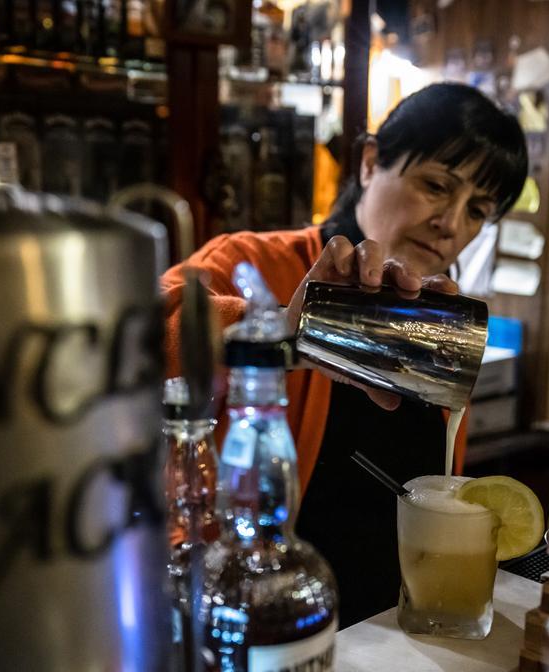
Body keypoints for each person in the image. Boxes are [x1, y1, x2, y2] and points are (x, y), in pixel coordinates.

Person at [162, 82, 528, 625]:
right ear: (370, 163)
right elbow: (139, 344)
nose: (451, 224)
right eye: (436, 186)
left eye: (476, 210)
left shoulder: (439, 322)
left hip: (392, 645)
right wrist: (285, 332)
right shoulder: (255, 263)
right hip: (258, 625)